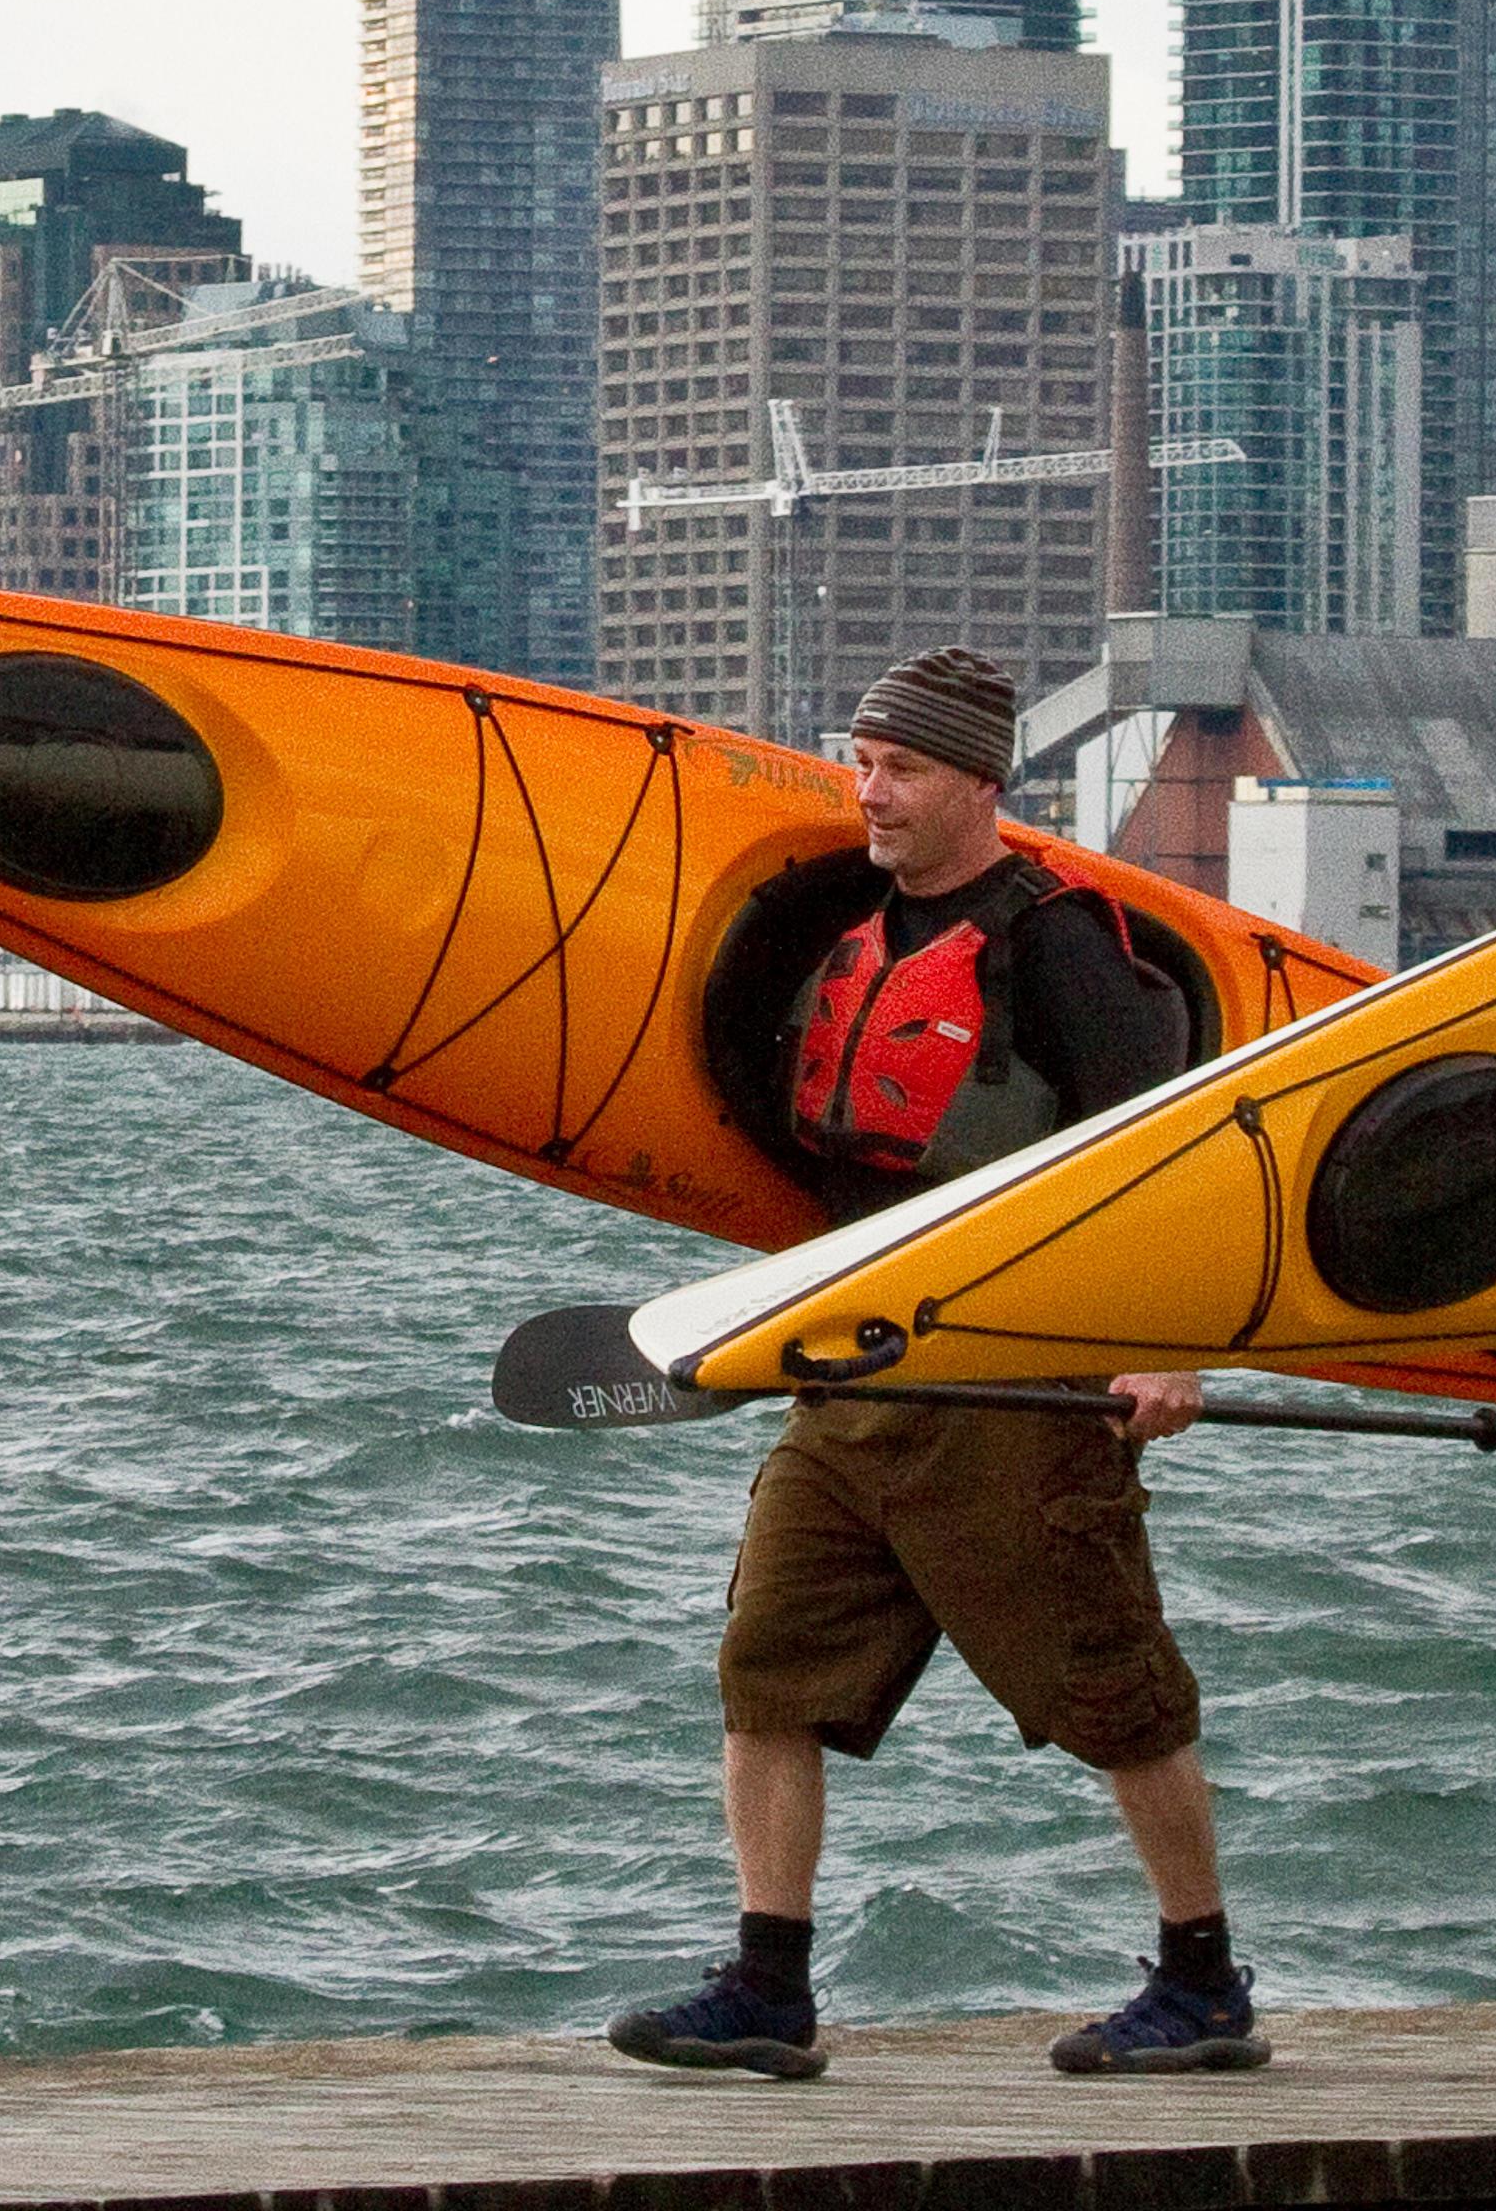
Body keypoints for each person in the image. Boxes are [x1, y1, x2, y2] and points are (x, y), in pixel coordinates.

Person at [605, 646, 1270, 2083]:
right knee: (766, 1672)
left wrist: (1171, 1355)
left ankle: (1204, 1981)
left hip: (1012, 1394)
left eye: (900, 767)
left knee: (1117, 1697)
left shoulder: (1063, 946)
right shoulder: (850, 925)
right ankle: (770, 1986)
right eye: (860, 760)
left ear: (979, 782)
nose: (869, 790)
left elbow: (1175, 1158)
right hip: (850, 1380)